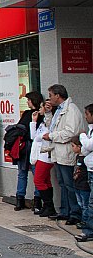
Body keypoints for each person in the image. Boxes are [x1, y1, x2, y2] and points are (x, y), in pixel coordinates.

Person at [44, 84, 87, 224]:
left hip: (66, 152)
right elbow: (52, 126)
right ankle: (65, 210)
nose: (49, 98)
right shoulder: (59, 110)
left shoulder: (71, 110)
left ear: (58, 95)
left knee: (70, 184)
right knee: (62, 183)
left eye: (50, 95)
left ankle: (75, 213)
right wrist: (48, 113)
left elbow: (70, 132)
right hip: (58, 152)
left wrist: (51, 136)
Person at [12, 91, 44, 211]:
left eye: (28, 100)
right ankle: (20, 198)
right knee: (22, 173)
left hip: (34, 146)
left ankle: (36, 200)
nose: (27, 102)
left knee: (36, 174)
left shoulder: (40, 114)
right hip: (24, 146)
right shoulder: (26, 113)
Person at [30, 104, 57, 217]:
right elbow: (33, 136)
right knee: (45, 181)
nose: (39, 109)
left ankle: (49, 205)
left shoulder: (50, 124)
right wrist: (33, 122)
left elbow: (46, 136)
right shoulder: (41, 124)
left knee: (38, 180)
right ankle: (47, 206)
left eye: (41, 107)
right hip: (39, 154)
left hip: (46, 155)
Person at [76, 103, 93, 242]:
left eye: (87, 114)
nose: (85, 117)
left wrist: (82, 135)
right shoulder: (90, 131)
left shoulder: (86, 133)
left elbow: (88, 145)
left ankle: (88, 230)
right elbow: (85, 150)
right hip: (90, 169)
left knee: (90, 202)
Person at [71, 136, 91, 240]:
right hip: (77, 184)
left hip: (83, 185)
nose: (72, 148)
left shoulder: (85, 158)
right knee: (80, 203)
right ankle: (83, 221)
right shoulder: (77, 157)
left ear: (79, 147)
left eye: (73, 146)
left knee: (85, 205)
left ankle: (85, 222)